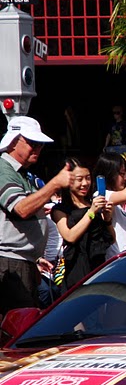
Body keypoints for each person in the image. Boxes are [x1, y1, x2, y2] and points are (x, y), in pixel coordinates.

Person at [0, 116, 74, 314]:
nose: (38, 149)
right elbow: (21, 208)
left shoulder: (22, 174)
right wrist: (55, 184)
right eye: (33, 143)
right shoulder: (3, 169)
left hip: (23, 262)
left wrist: (34, 258)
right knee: (17, 330)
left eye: (40, 145)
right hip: (10, 263)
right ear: (14, 141)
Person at [51, 158, 115, 291]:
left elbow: (111, 239)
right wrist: (91, 212)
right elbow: (69, 236)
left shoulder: (94, 204)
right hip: (77, 269)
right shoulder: (60, 210)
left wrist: (108, 219)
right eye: (80, 179)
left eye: (88, 178)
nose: (85, 183)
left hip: (98, 267)